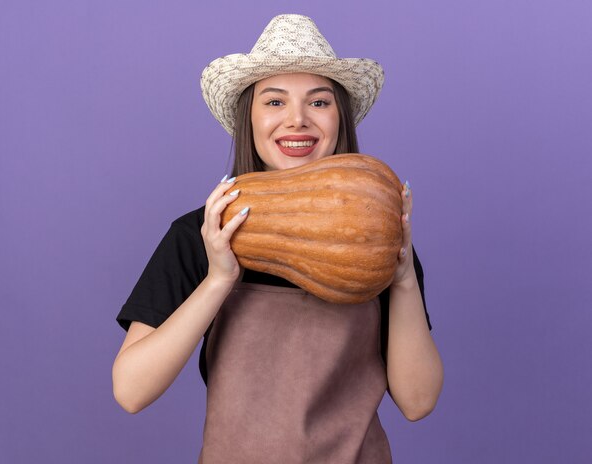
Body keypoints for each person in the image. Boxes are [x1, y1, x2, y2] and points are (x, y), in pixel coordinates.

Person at [113, 14, 443, 463]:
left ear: (339, 118)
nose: (297, 120)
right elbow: (131, 391)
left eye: (319, 102)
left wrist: (402, 277)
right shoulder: (198, 235)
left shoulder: (379, 230)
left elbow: (418, 401)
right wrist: (217, 279)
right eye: (274, 102)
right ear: (248, 118)